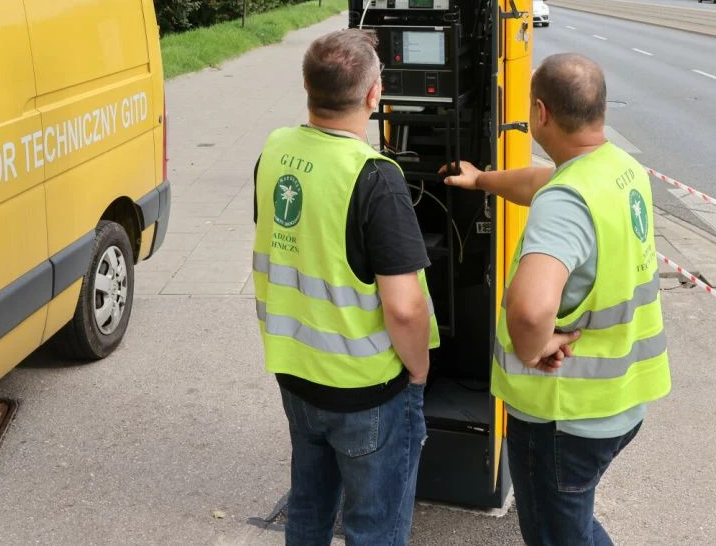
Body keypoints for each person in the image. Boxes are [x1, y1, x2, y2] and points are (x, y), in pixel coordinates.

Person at [445, 53, 670, 546]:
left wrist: (534, 347)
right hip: (621, 402)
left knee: (556, 534)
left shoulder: (565, 204)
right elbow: (538, 181)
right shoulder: (619, 170)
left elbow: (529, 308)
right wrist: (481, 179)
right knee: (575, 522)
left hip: (562, 418)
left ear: (541, 114)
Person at [252, 28, 439, 546]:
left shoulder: (275, 150)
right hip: (367, 390)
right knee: (374, 528)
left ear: (307, 86)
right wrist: (419, 370)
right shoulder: (375, 176)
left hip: (296, 374)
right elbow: (404, 308)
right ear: (375, 95)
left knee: (309, 511)